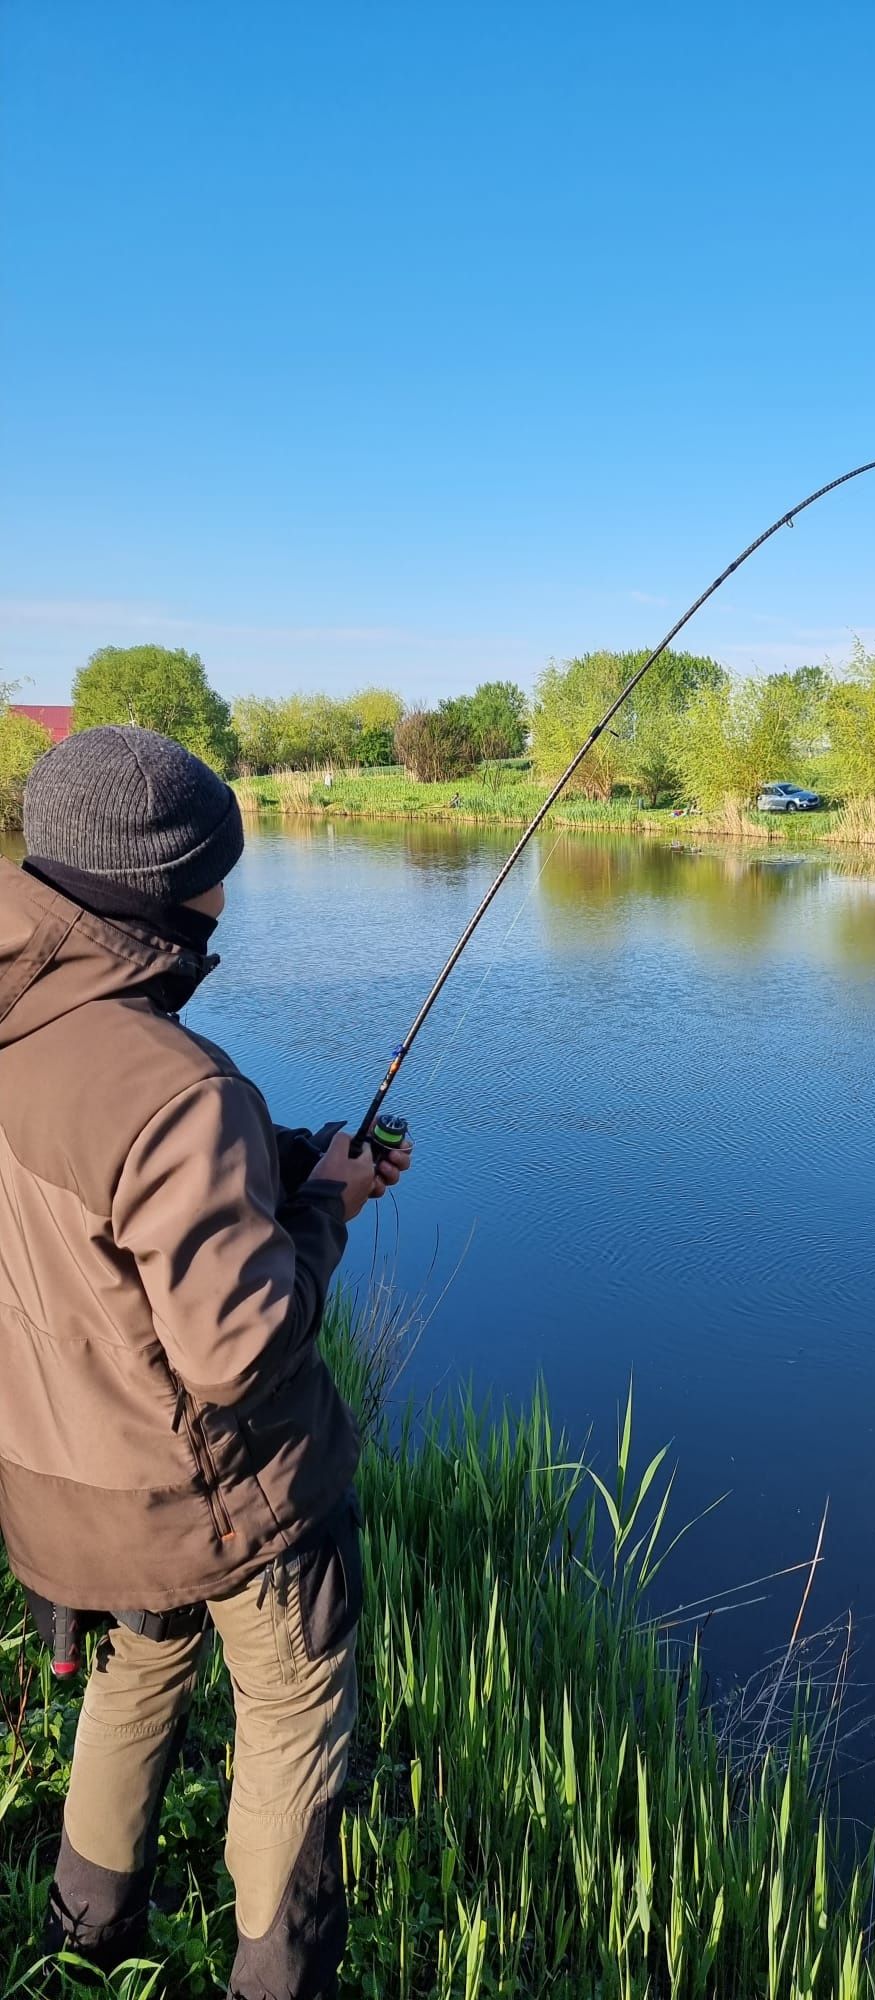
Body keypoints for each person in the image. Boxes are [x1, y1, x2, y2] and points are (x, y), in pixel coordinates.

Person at [0, 725, 413, 1998]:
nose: (233, 891)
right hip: (215, 1501)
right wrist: (327, 1210)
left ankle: (85, 1934)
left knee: (135, 1672)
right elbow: (237, 1348)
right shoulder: (175, 1083)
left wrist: (284, 1158)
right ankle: (277, 1982)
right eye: (222, 868)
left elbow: (97, 1214)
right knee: (291, 1724)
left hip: (63, 1493)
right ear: (171, 885)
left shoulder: (27, 1014)